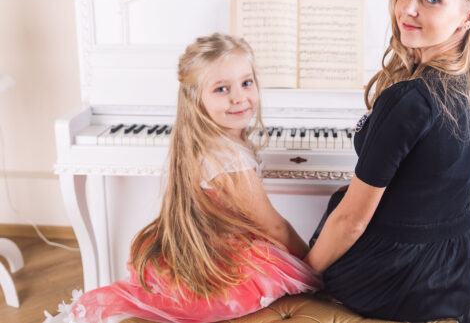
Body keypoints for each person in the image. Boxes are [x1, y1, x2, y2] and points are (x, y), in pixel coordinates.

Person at [304, 0, 470, 323]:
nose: (408, 8)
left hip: (398, 273)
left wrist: (302, 278)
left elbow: (352, 222)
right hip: (458, 262)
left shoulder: (408, 99)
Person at [44, 33, 321, 323]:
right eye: (222, 89)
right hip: (223, 259)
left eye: (246, 83)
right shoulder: (230, 159)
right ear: (195, 98)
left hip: (204, 246)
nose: (239, 97)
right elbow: (274, 227)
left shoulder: (206, 139)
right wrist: (313, 264)